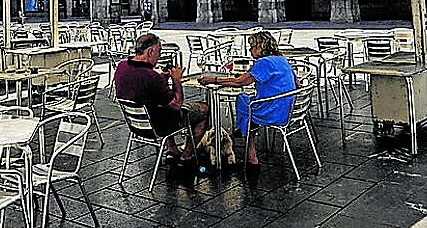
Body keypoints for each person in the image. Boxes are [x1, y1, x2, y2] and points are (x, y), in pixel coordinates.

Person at [198, 30, 295, 169]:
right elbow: (297, 84)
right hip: (285, 108)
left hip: (271, 111)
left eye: (252, 47)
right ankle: (242, 130)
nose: (250, 50)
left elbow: (239, 82)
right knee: (246, 101)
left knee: (242, 99)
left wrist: (213, 79)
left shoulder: (264, 62)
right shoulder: (282, 60)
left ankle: (248, 147)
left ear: (260, 47)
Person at [114, 32, 208, 163]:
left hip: (135, 124)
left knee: (160, 103)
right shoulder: (151, 77)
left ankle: (172, 149)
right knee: (203, 109)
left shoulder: (122, 66)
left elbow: (146, 89)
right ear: (151, 51)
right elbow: (177, 104)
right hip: (157, 126)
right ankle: (187, 154)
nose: (159, 56)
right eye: (159, 52)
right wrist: (177, 80)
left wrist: (163, 78)